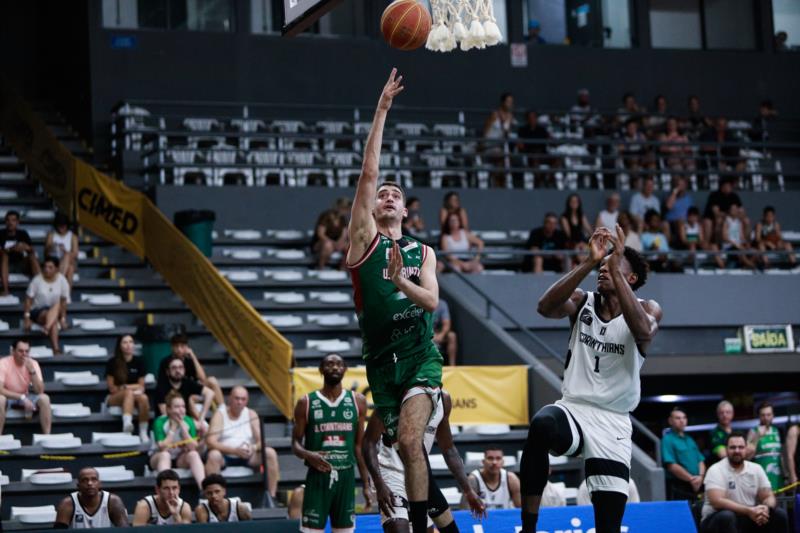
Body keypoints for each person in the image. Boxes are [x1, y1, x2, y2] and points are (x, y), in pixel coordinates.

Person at [346, 69, 442, 533]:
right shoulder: (363, 240)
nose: (386, 195)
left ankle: (421, 526)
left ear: (406, 211)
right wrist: (381, 108)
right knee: (403, 445)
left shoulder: (423, 252)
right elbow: (368, 172)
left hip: (421, 357)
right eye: (382, 193)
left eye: (395, 195)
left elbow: (431, 302)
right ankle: (431, 517)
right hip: (381, 365)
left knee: (408, 440)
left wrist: (400, 282)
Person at [519, 225, 662, 533]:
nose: (603, 270)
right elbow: (544, 307)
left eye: (612, 266)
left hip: (614, 422)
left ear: (631, 278)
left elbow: (643, 332)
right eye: (602, 266)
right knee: (542, 424)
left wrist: (616, 269)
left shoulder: (648, 308)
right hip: (574, 408)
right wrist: (587, 262)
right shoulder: (583, 301)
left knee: (607, 526)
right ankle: (529, 527)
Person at [363, 390, 485, 532]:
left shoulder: (443, 400)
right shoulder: (392, 398)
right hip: (391, 475)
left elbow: (449, 449)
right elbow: (368, 442)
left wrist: (468, 490)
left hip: (420, 476)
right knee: (398, 528)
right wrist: (379, 483)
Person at [291, 353, 371, 533]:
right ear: (321, 370)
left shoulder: (358, 401)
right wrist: (308, 454)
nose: (334, 367)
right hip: (318, 476)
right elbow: (295, 444)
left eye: (339, 364)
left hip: (346, 476)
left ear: (345, 370)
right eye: (329, 364)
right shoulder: (306, 402)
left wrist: (367, 485)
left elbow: (359, 447)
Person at [700, 433, 788, 533]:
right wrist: (749, 511)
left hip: (747, 517)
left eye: (741, 447)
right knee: (727, 516)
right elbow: (717, 502)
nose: (737, 451)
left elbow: (768, 496)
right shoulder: (715, 469)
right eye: (733, 447)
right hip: (714, 521)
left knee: (779, 514)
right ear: (726, 450)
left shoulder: (756, 468)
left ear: (746, 449)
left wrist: (766, 508)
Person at [205, 385, 280, 498]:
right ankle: (214, 498)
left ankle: (271, 497)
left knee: (270, 453)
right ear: (230, 399)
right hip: (225, 457)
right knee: (213, 455)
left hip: (248, 456)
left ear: (247, 401)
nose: (239, 402)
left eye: (243, 399)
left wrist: (253, 448)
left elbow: (262, 441)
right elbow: (210, 442)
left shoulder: (251, 414)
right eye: (237, 398)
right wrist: (234, 451)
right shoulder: (220, 414)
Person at [150, 391, 205, 489]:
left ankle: (203, 491)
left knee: (194, 455)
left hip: (180, 459)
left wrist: (185, 431)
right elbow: (162, 448)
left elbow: (194, 448)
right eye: (177, 407)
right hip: (158, 458)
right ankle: (164, 491)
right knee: (165, 455)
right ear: (168, 409)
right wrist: (173, 428)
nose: (181, 410)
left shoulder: (188, 421)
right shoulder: (160, 422)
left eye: (183, 406)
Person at [0, 338, 51, 434]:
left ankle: (47, 435)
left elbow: (40, 391)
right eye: (20, 351)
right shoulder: (3, 363)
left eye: (27, 351)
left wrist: (32, 371)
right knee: (0, 399)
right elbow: (0, 390)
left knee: (45, 398)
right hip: (8, 397)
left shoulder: (33, 364)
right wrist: (21, 398)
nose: (24, 354)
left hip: (26, 395)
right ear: (13, 351)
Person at [157, 333, 223, 407]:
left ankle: (223, 411)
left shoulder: (189, 360)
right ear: (172, 347)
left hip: (192, 390)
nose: (179, 349)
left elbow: (202, 378)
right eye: (176, 346)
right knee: (191, 398)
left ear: (187, 347)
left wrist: (193, 355)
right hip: (175, 393)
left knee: (212, 380)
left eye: (182, 346)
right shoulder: (165, 362)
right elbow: (161, 385)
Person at [105, 334, 150, 441]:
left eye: (131, 342)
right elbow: (112, 388)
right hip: (115, 397)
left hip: (132, 394)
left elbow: (141, 385)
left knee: (144, 398)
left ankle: (143, 432)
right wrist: (128, 388)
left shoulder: (139, 361)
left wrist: (125, 386)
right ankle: (127, 426)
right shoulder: (112, 362)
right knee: (128, 392)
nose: (128, 345)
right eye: (125, 342)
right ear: (119, 346)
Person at [54, 467, 129, 528]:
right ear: (78, 485)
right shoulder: (67, 504)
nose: (90, 483)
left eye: (94, 479)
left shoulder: (112, 501)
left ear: (99, 484)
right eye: (85, 480)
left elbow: (125, 530)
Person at [23, 256, 69, 354]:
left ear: (56, 269)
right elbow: (28, 300)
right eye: (45, 267)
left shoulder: (62, 280)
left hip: (56, 310)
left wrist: (63, 319)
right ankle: (56, 349)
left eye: (50, 267)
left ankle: (47, 327)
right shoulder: (37, 280)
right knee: (54, 321)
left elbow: (64, 302)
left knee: (57, 305)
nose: (47, 269)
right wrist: (27, 318)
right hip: (39, 311)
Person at [155, 356, 214, 429]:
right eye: (174, 368)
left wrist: (201, 417)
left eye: (180, 367)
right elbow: (165, 413)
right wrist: (191, 423)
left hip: (184, 420)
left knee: (204, 427)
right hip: (166, 423)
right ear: (167, 372)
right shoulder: (161, 387)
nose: (178, 370)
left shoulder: (187, 382)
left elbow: (210, 393)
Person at [662, 406, 706, 501]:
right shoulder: (667, 439)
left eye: (684, 418)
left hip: (697, 485)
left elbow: (701, 460)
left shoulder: (689, 439)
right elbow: (671, 465)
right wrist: (692, 479)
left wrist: (701, 477)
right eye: (678, 418)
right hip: (680, 487)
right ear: (670, 421)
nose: (682, 420)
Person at [0, 210, 40, 295]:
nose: (10, 223)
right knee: (4, 255)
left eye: (13, 220)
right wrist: (11, 249)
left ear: (18, 222)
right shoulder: (1, 233)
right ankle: (6, 290)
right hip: (5, 265)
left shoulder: (23, 234)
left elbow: (32, 250)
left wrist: (26, 247)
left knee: (32, 256)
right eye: (8, 220)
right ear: (5, 222)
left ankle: (41, 288)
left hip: (21, 264)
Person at [746, 402, 784, 491]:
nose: (766, 418)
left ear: (773, 415)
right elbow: (747, 457)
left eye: (768, 415)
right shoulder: (753, 431)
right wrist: (757, 436)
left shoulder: (777, 431)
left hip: (778, 479)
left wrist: (786, 476)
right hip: (761, 481)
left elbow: (782, 456)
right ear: (758, 416)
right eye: (763, 415)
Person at [483, 93, 517, 187]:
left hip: (500, 147)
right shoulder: (494, 115)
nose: (510, 104)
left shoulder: (510, 117)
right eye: (508, 102)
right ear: (502, 102)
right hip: (489, 147)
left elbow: (507, 134)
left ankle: (502, 184)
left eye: (511, 102)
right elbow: (485, 133)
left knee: (508, 158)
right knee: (503, 159)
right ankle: (498, 184)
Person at [703, 177, 745, 245]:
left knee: (746, 220)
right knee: (718, 220)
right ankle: (716, 244)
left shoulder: (734, 196)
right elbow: (716, 213)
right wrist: (730, 214)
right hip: (712, 217)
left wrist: (738, 215)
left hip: (730, 216)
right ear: (723, 186)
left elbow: (742, 211)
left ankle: (744, 243)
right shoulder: (714, 195)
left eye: (731, 186)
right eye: (728, 186)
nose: (730, 188)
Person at [312, 198, 350, 270]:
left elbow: (344, 234)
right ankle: (321, 267)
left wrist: (339, 243)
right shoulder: (326, 216)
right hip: (321, 242)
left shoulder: (343, 219)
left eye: (346, 209)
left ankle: (342, 268)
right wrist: (333, 243)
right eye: (343, 208)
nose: (345, 211)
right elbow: (320, 234)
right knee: (328, 245)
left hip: (335, 242)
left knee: (350, 246)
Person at [45, 213, 79, 289]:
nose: (61, 228)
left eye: (63, 226)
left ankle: (57, 281)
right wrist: (52, 247)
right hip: (54, 261)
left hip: (68, 259)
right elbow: (46, 253)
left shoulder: (73, 236)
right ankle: (66, 297)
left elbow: (75, 254)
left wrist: (64, 251)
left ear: (67, 225)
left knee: (67, 256)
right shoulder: (51, 235)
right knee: (70, 269)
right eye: (59, 226)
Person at [722, 204, 756, 269]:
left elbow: (741, 236)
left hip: (739, 245)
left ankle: (746, 266)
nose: (734, 211)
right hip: (729, 246)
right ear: (729, 211)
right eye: (732, 209)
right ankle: (754, 267)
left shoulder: (739, 222)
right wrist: (736, 244)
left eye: (735, 209)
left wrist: (746, 243)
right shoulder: (727, 221)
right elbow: (724, 237)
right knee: (741, 252)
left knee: (755, 252)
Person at [560, 194, 593, 260]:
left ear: (579, 203)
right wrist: (578, 244)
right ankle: (582, 268)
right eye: (572, 201)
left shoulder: (581, 216)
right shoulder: (564, 217)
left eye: (576, 201)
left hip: (582, 242)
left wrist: (592, 240)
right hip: (570, 243)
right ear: (568, 203)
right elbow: (568, 235)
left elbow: (589, 230)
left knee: (591, 248)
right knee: (580, 250)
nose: (574, 203)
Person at [433, 298, 457, 366]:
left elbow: (447, 323)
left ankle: (452, 367)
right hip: (423, 333)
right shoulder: (417, 302)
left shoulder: (441, 304)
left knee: (452, 336)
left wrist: (441, 335)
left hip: (436, 333)